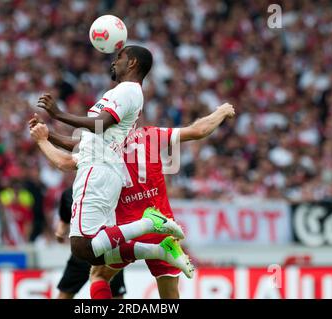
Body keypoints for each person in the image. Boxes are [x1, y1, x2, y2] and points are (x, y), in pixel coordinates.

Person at [29, 102, 235, 298]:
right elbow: (199, 130)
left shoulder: (102, 149)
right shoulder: (152, 135)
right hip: (163, 229)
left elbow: (64, 161)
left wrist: (44, 139)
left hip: (125, 232)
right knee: (170, 296)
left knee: (98, 276)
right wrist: (221, 112)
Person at [35, 45, 189, 273]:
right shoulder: (124, 93)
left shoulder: (127, 90)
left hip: (98, 170)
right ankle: (160, 250)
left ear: (133, 63)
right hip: (105, 168)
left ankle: (151, 223)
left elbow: (100, 125)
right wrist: (49, 135)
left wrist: (58, 114)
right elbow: (87, 140)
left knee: (80, 246)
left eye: (120, 57)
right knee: (100, 257)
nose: (114, 62)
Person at [55, 188, 126, 299]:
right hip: (84, 251)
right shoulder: (69, 193)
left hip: (107, 249)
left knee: (116, 294)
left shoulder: (113, 189)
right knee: (65, 292)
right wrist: (60, 232)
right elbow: (64, 219)